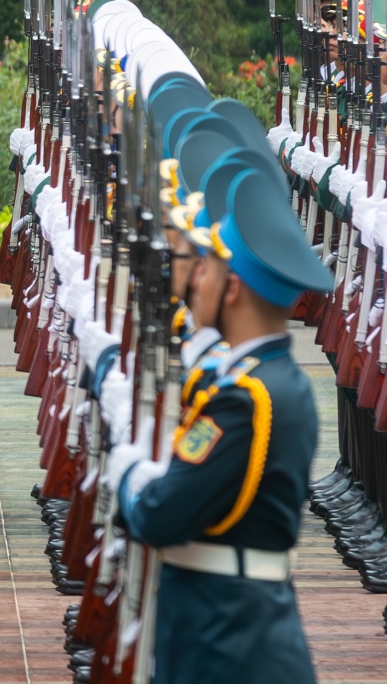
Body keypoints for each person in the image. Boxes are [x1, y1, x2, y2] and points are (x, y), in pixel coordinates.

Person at [106, 167, 333, 684]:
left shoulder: (246, 398)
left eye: (203, 266)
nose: (193, 279)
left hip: (228, 643)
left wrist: (129, 474)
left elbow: (162, 514)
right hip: (230, 632)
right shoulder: (269, 382)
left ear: (232, 288)